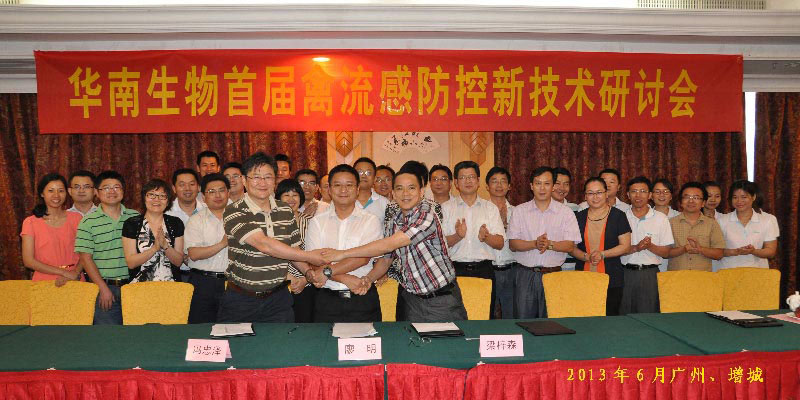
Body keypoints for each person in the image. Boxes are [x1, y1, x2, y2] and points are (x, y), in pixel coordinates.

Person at [321, 161, 467, 322]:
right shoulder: (394, 220)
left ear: (421, 192)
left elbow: (389, 244)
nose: (405, 193)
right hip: (411, 300)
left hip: (441, 299)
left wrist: (342, 254)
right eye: (399, 188)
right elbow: (386, 259)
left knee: (448, 339)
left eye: (411, 188)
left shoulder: (426, 214)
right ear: (393, 194)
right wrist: (368, 279)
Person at [219, 152, 324, 323]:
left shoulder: (285, 210)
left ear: (275, 181)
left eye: (268, 177)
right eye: (256, 177)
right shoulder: (234, 210)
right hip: (241, 299)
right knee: (236, 341)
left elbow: (293, 250)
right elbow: (264, 244)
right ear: (244, 180)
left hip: (278, 299)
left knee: (281, 340)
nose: (262, 183)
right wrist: (311, 256)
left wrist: (307, 272)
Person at [305, 164, 383, 322]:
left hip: (362, 297)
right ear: (329, 189)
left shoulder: (370, 221)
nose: (343, 190)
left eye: (349, 185)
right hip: (326, 300)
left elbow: (362, 258)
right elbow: (314, 261)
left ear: (357, 189)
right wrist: (345, 278)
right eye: (337, 185)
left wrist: (327, 272)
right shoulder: (317, 222)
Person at [509, 166, 581, 319]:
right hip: (525, 275)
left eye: (547, 183)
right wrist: (534, 244)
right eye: (538, 183)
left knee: (553, 322)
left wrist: (549, 244)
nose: (542, 188)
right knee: (523, 321)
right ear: (531, 186)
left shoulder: (566, 213)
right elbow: (513, 244)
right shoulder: (519, 211)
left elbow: (570, 245)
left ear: (553, 186)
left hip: (553, 275)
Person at [74, 170, 140, 324]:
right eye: (106, 188)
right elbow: (85, 258)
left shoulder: (135, 217)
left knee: (136, 333)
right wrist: (103, 288)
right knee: (108, 335)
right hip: (104, 288)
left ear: (123, 191)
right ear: (97, 193)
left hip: (134, 287)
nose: (112, 191)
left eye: (116, 187)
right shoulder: (87, 222)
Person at [572, 177, 632, 316]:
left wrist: (602, 254)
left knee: (609, 317)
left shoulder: (618, 216)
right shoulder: (578, 217)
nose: (595, 197)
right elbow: (570, 247)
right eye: (590, 193)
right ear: (585, 196)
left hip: (612, 277)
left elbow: (625, 246)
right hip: (583, 275)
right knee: (584, 316)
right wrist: (586, 257)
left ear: (606, 194)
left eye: (599, 192)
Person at [619, 176, 673, 315]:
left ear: (649, 195)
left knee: (649, 316)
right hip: (624, 273)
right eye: (634, 191)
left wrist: (650, 246)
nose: (638, 195)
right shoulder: (620, 217)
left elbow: (666, 252)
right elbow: (614, 249)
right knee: (623, 315)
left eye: (643, 191)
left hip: (649, 274)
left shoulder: (661, 219)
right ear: (628, 195)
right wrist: (636, 248)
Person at [21, 173, 84, 284]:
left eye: (61, 191)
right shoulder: (30, 222)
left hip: (75, 279)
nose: (56, 195)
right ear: (42, 193)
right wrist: (64, 273)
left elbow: (86, 253)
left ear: (66, 193)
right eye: (51, 191)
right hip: (44, 281)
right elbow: (28, 261)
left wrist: (75, 273)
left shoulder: (77, 218)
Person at [185, 173, 230, 323]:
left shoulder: (239, 218)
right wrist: (222, 244)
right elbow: (194, 254)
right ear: (203, 197)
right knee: (201, 328)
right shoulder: (196, 220)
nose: (217, 195)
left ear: (228, 192)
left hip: (233, 283)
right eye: (211, 191)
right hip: (203, 283)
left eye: (221, 190)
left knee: (232, 327)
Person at [122, 179, 184, 283]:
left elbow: (178, 262)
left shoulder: (176, 223)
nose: (156, 199)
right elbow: (131, 263)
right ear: (144, 198)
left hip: (171, 286)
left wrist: (165, 246)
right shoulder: (131, 224)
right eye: (151, 195)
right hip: (139, 286)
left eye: (162, 196)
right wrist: (154, 248)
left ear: (168, 201)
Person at [274, 178, 316, 323]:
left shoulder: (312, 222)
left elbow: (317, 253)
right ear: (278, 198)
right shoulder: (271, 223)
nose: (291, 199)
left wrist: (305, 279)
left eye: (295, 195)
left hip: (308, 283)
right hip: (279, 283)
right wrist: (288, 278)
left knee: (305, 325)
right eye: (286, 195)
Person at [718, 180, 779, 269]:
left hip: (757, 271)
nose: (739, 201)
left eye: (744, 197)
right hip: (728, 271)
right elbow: (716, 251)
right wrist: (736, 251)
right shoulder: (721, 221)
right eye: (735, 197)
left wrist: (753, 251)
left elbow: (771, 252)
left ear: (753, 197)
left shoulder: (768, 220)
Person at [667, 182, 725, 272]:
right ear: (680, 202)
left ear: (703, 203)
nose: (691, 201)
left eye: (696, 198)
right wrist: (683, 249)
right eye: (687, 197)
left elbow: (719, 254)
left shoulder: (712, 224)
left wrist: (700, 249)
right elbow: (665, 253)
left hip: (703, 277)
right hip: (676, 277)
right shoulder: (670, 223)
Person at [486, 166, 515, 319]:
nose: (499, 185)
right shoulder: (480, 210)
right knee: (486, 314)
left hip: (511, 270)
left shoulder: (517, 212)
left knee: (510, 315)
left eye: (503, 181)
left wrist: (505, 225)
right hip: (487, 269)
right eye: (494, 181)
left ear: (509, 186)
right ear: (487, 186)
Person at [167, 168, 206, 280]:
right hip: (176, 274)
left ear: (199, 187)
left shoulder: (208, 211)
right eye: (182, 185)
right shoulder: (166, 213)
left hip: (205, 274)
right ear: (174, 188)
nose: (187, 188)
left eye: (192, 184)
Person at [552, 167, 579, 270]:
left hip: (571, 266)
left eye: (566, 184)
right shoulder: (540, 209)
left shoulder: (576, 209)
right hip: (547, 267)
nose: (562, 188)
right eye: (557, 183)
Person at [353, 157, 389, 221]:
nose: (364, 176)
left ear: (374, 178)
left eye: (368, 173)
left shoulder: (384, 203)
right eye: (360, 172)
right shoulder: (345, 200)